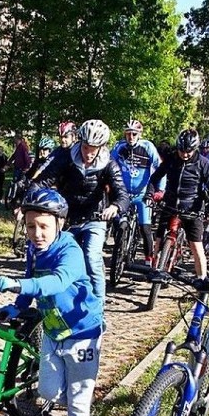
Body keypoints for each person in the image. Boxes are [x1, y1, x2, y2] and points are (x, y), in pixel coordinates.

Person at [0, 188, 103, 416]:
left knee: (78, 401)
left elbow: (56, 282)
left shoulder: (71, 251)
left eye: (43, 226)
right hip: (53, 330)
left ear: (59, 224)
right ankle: (74, 407)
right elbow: (32, 278)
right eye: (30, 226)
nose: (36, 233)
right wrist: (17, 305)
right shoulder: (33, 249)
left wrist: (18, 285)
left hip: (81, 333)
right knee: (47, 390)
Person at [33, 119, 129, 305]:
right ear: (80, 143)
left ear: (101, 147)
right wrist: (29, 203)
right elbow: (43, 181)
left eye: (94, 148)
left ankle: (99, 307)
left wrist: (115, 206)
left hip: (95, 217)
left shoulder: (109, 164)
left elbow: (122, 193)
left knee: (91, 257)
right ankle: (60, 302)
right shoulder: (68, 158)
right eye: (85, 147)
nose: (89, 153)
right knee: (59, 258)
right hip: (68, 217)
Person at [146, 129, 209, 278]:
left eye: (188, 151)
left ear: (195, 148)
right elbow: (155, 178)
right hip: (170, 204)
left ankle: (201, 281)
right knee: (158, 240)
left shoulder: (202, 163)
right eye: (181, 151)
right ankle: (155, 269)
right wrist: (149, 194)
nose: (184, 154)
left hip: (192, 208)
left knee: (197, 247)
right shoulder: (171, 159)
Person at [110, 119, 164, 264]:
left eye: (134, 134)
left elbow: (161, 169)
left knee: (145, 227)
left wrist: (160, 190)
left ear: (139, 134)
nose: (131, 137)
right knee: (116, 220)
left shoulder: (148, 147)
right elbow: (108, 164)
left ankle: (148, 259)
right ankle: (119, 245)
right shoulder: (119, 147)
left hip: (142, 194)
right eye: (128, 134)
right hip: (124, 193)